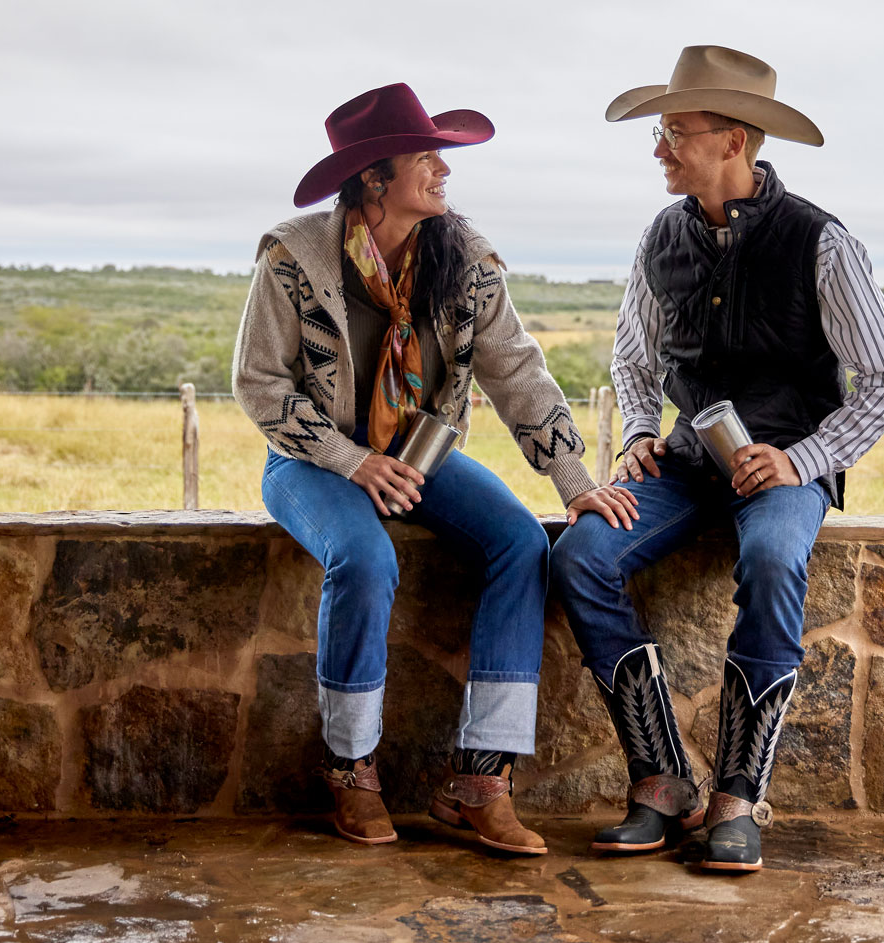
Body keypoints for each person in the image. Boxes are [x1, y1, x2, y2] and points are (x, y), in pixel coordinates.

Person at [233, 83, 639, 854]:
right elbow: (260, 385)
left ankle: (480, 782)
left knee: (521, 541)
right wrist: (352, 462)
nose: (443, 170)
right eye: (426, 157)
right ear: (374, 178)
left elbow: (516, 370)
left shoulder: (467, 262)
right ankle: (351, 773)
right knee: (363, 556)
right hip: (309, 461)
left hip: (420, 457)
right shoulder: (293, 258)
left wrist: (576, 482)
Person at [550, 46, 884, 872]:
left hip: (788, 464)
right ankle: (661, 782)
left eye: (675, 132)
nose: (660, 148)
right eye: (661, 132)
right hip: (684, 465)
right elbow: (634, 362)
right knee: (579, 552)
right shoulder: (662, 236)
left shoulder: (822, 243)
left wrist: (805, 459)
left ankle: (736, 797)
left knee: (772, 554)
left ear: (736, 141)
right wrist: (642, 432)